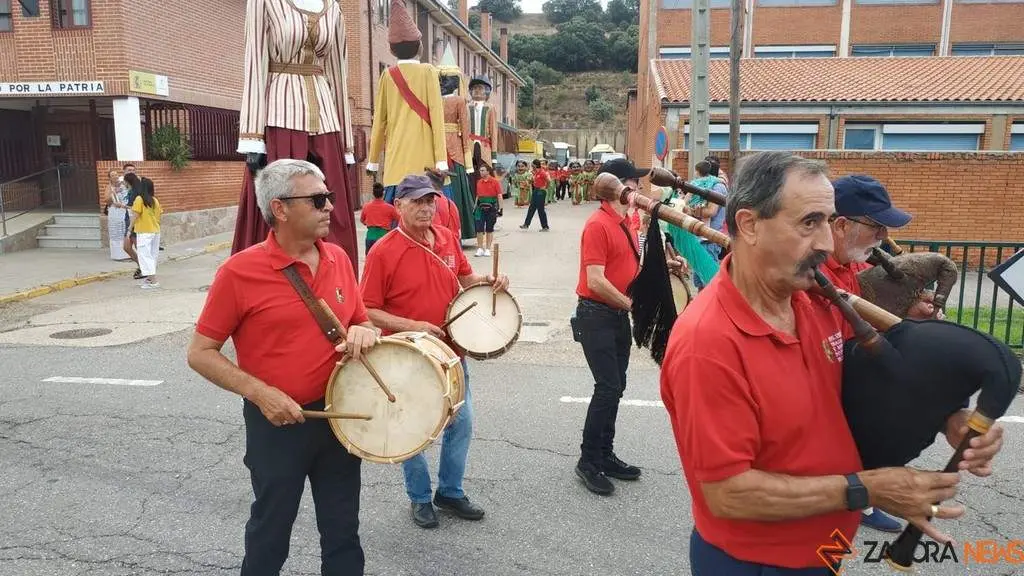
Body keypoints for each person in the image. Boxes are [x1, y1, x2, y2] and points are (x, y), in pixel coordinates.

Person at [659, 151, 1005, 574]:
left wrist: (946, 415)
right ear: (749, 225)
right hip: (757, 563)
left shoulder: (812, 301)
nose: (825, 242)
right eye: (809, 222)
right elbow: (729, 493)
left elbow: (870, 376)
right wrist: (868, 489)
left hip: (823, 549)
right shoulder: (708, 344)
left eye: (828, 220)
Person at [187, 159, 380, 576]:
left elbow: (360, 318)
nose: (330, 206)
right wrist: (260, 393)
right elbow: (200, 352)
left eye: (328, 197)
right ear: (280, 209)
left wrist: (365, 332)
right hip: (275, 424)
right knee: (270, 532)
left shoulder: (340, 258)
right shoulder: (239, 272)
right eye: (318, 199)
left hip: (337, 417)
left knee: (343, 531)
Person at [359, 174, 510, 530]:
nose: (427, 208)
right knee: (413, 425)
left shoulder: (446, 236)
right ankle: (420, 497)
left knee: (462, 421)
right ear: (399, 206)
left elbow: (465, 277)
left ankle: (450, 491)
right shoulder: (383, 251)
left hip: (451, 350)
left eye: (431, 201)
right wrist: (413, 325)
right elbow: (367, 310)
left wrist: (490, 281)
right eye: (417, 201)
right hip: (409, 354)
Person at [819, 173, 942, 533]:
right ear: (841, 225)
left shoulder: (856, 266)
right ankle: (855, 497)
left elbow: (868, 317)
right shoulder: (809, 273)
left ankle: (860, 498)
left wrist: (908, 313)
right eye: (876, 227)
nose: (883, 238)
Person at [231, 0, 360, 270]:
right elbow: (254, 61)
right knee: (286, 206)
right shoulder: (264, 2)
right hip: (281, 113)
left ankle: (335, 279)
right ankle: (272, 279)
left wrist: (346, 143)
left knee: (331, 210)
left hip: (326, 118)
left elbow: (338, 73)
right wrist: (253, 134)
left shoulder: (333, 8)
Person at [572, 157, 650, 496]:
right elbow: (596, 280)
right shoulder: (597, 225)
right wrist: (633, 305)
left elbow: (631, 265)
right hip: (597, 315)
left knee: (616, 387)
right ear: (616, 187)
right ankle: (588, 461)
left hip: (616, 316)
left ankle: (605, 453)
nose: (639, 188)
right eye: (633, 182)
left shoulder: (625, 222)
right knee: (607, 387)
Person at [366, 0, 448, 204]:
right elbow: (437, 118)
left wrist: (373, 160)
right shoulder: (428, 71)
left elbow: (379, 122)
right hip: (426, 165)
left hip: (396, 165)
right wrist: (441, 159)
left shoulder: (387, 74)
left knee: (397, 220)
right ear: (419, 45)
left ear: (392, 51)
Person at [129, 177, 162, 289]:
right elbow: (159, 216)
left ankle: (153, 281)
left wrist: (129, 228)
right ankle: (149, 279)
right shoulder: (155, 200)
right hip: (155, 231)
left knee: (144, 256)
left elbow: (135, 215)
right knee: (152, 255)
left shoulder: (139, 199)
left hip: (144, 231)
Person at [359, 183, 399, 254]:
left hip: (370, 237)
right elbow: (399, 219)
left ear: (373, 194)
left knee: (370, 261)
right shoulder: (390, 208)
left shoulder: (366, 207)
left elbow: (362, 220)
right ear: (383, 193)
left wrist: (369, 223)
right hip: (384, 237)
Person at [473, 164, 502, 257]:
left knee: (489, 228)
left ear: (488, 171)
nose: (481, 172)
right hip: (480, 207)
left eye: (482, 170)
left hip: (491, 207)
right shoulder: (479, 182)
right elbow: (477, 196)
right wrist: (474, 207)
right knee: (479, 229)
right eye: (480, 170)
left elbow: (499, 196)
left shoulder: (495, 182)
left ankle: (488, 249)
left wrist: (501, 208)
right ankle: (480, 248)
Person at [520, 158, 550, 231]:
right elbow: (533, 180)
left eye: (532, 165)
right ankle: (526, 224)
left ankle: (545, 227)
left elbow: (548, 180)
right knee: (531, 208)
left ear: (535, 165)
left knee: (540, 210)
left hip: (541, 192)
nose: (531, 166)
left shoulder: (542, 172)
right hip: (535, 191)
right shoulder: (536, 172)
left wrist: (545, 187)